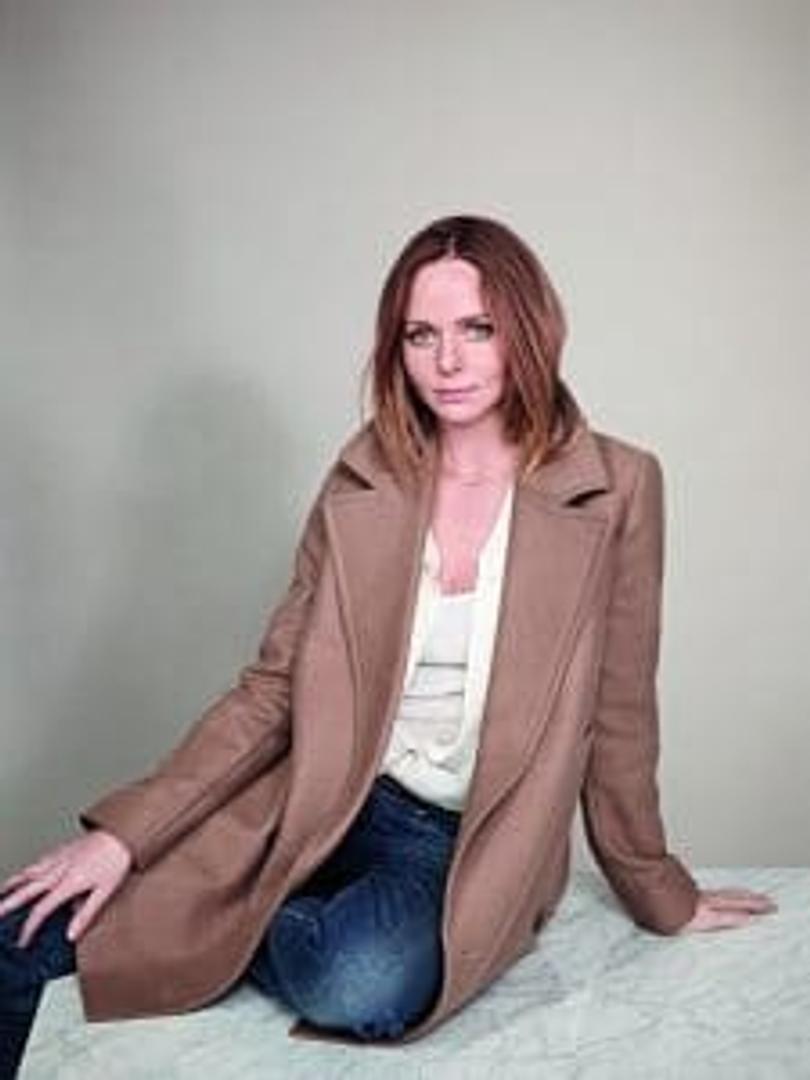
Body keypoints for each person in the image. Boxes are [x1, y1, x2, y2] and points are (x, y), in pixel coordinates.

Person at [0, 214, 777, 1075]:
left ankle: (234, 919)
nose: (448, 362)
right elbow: (273, 689)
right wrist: (125, 836)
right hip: (318, 794)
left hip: (457, 838)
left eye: (477, 329)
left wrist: (657, 888)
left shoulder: (618, 485)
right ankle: (227, 904)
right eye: (420, 335)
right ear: (396, 349)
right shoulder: (363, 476)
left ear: (529, 329)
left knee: (358, 984)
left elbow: (621, 708)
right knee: (26, 932)